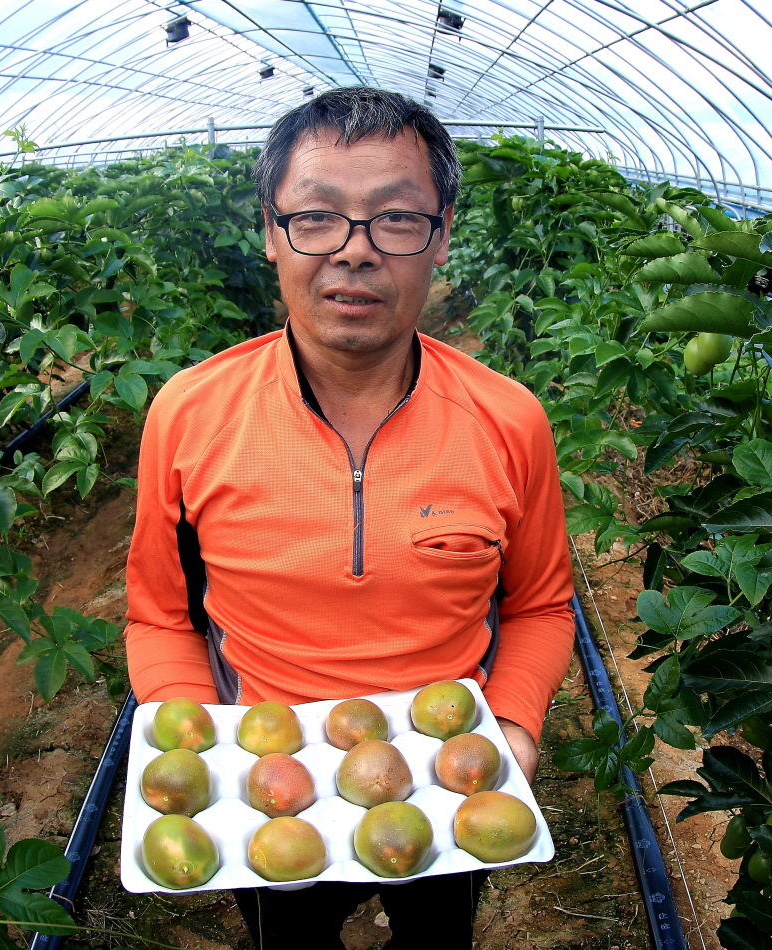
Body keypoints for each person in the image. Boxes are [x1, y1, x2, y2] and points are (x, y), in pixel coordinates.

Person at [123, 87, 574, 949]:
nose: (355, 250)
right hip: (267, 773)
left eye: (396, 218)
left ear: (441, 235)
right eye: (317, 217)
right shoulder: (189, 415)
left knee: (436, 939)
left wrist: (513, 724)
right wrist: (197, 741)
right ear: (271, 231)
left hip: (445, 770)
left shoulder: (508, 420)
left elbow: (541, 605)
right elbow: (159, 616)